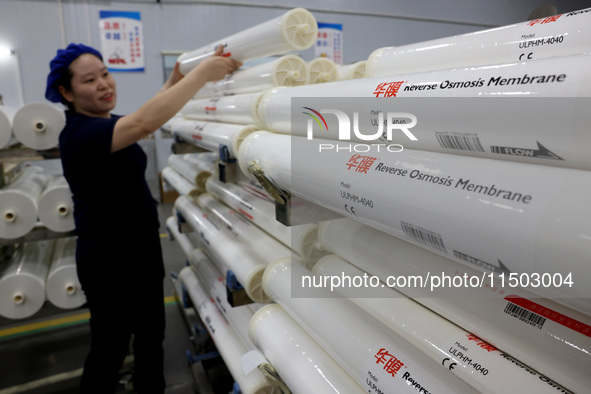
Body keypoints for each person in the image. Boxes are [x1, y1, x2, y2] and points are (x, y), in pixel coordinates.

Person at [44, 43, 241, 393]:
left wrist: (173, 81)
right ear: (66, 92)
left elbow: (145, 121)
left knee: (152, 339)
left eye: (105, 74)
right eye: (89, 80)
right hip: (108, 260)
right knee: (110, 348)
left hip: (142, 250)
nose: (104, 84)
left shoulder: (109, 124)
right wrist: (202, 74)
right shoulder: (79, 135)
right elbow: (145, 121)